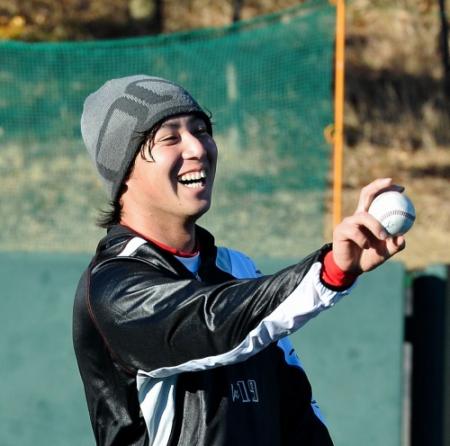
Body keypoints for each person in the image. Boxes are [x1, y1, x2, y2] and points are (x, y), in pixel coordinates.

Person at [73, 75, 406, 446]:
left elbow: (294, 408)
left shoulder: (237, 268)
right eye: (170, 137)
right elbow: (213, 324)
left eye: (201, 130)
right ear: (124, 171)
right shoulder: (112, 287)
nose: (198, 147)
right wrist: (330, 271)